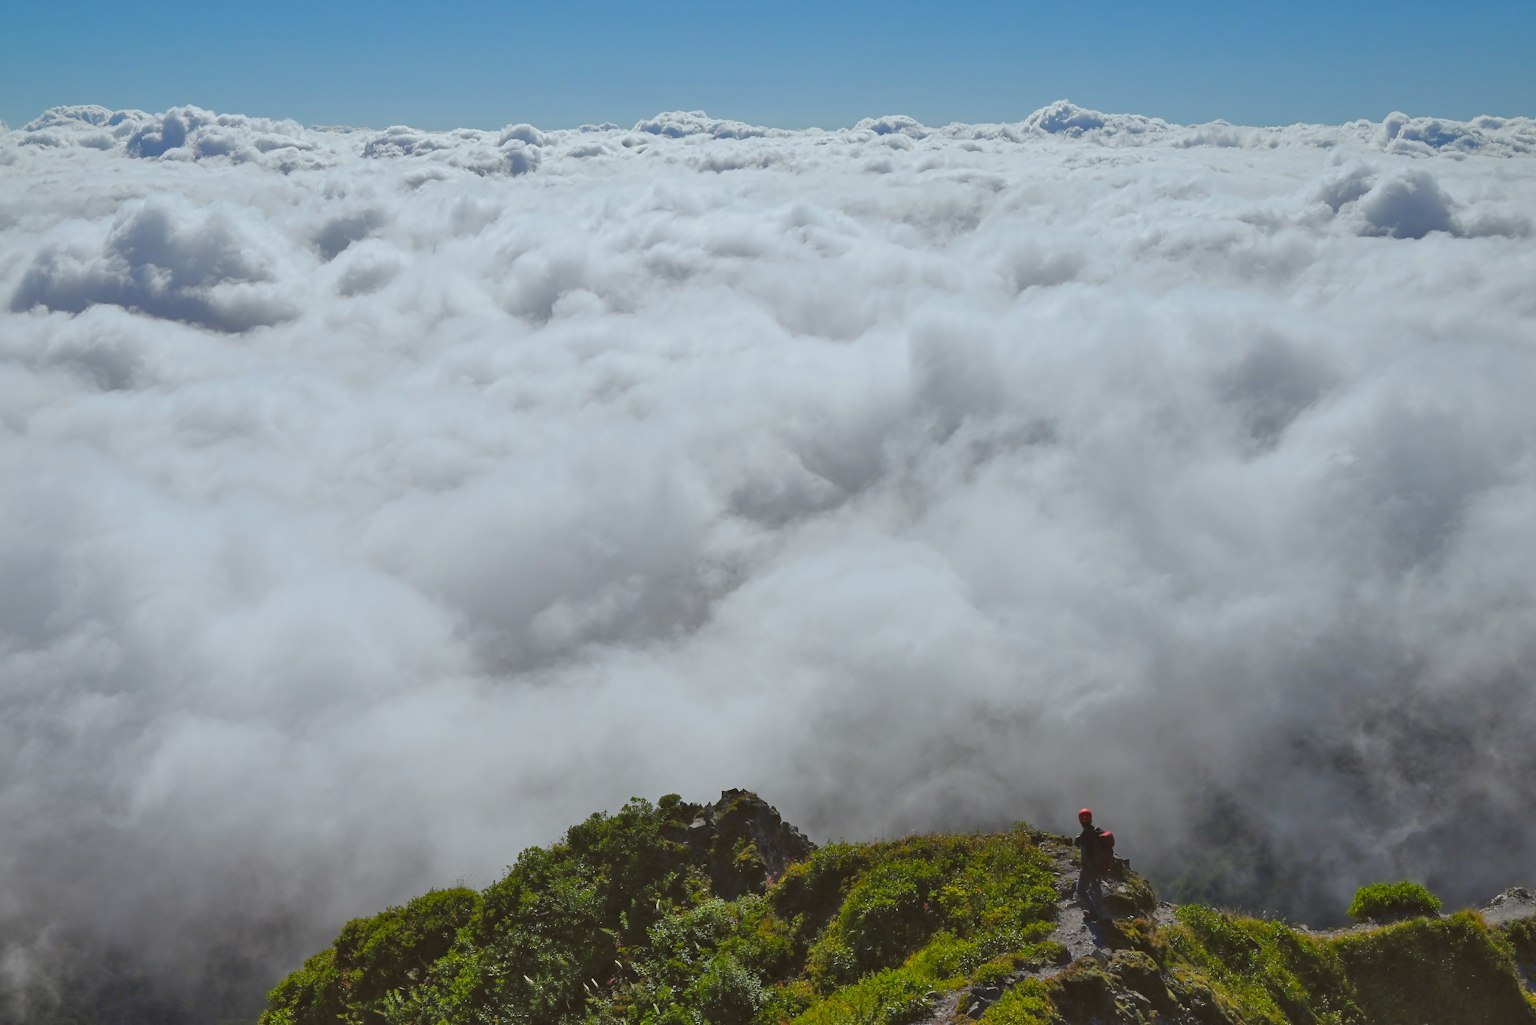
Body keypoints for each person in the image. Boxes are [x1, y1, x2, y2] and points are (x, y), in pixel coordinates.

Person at [1073, 807, 1108, 921]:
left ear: (1080, 820)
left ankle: (1094, 914)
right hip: (1100, 866)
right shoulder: (1097, 832)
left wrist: (1088, 869)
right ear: (1091, 819)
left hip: (1089, 868)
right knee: (1096, 889)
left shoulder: (1084, 836)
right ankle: (1099, 913)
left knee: (1081, 890)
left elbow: (1086, 855)